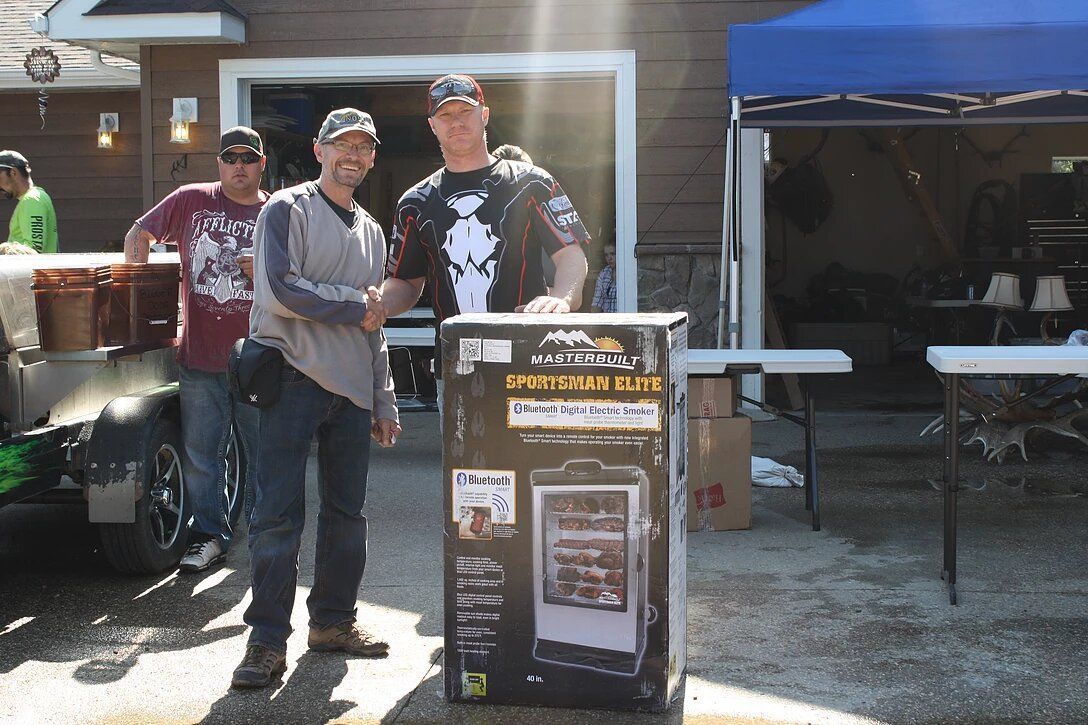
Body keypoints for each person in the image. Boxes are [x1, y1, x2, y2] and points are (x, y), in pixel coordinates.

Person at [231, 108, 401, 689]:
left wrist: (384, 400)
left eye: (363, 148)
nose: (352, 155)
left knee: (347, 518)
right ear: (320, 150)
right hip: (292, 383)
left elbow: (376, 325)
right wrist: (357, 302)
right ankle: (265, 644)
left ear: (372, 158)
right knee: (277, 518)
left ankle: (332, 623)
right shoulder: (286, 208)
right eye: (341, 145)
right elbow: (281, 290)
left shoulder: (373, 230)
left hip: (352, 394)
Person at [368, 74, 589, 385]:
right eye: (445, 114)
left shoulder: (532, 184)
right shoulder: (415, 203)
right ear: (432, 125)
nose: (456, 122)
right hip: (456, 366)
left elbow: (570, 254)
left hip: (530, 363)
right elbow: (405, 281)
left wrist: (563, 299)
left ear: (484, 115)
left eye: (465, 111)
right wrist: (380, 305)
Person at [125, 126, 269, 572]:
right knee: (203, 456)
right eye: (231, 158)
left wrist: (262, 266)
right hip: (200, 357)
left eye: (248, 158)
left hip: (261, 358)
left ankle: (267, 536)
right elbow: (140, 232)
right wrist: (139, 285)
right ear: (220, 164)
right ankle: (210, 535)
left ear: (262, 164)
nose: (239, 166)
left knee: (266, 452)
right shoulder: (190, 199)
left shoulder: (278, 211)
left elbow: (301, 272)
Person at [0, 150, 58, 253]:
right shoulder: (34, 198)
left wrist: (4, 248)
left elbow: (34, 250)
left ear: (13, 172)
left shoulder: (32, 200)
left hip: (32, 269)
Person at [591, 243, 617, 313]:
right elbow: (596, 303)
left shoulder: (627, 274)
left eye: (612, 254)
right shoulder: (604, 273)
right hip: (607, 320)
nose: (609, 258)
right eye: (606, 255)